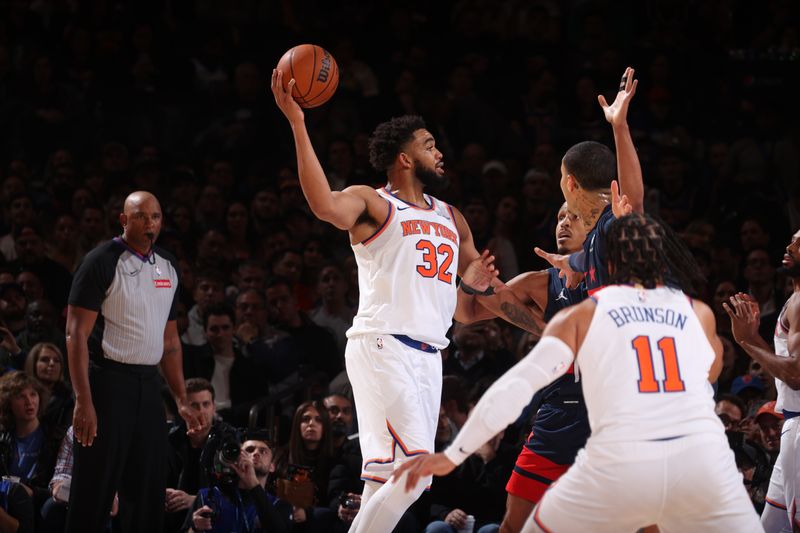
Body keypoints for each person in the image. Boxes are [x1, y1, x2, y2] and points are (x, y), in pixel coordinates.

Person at [396, 214, 762, 532]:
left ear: (606, 264)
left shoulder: (586, 314)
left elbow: (518, 385)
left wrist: (452, 455)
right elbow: (711, 372)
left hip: (623, 453)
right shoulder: (698, 311)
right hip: (700, 454)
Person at [271, 69, 518, 532]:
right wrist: (298, 123)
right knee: (417, 472)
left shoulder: (453, 218)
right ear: (404, 158)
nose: (439, 151)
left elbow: (462, 310)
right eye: (429, 144)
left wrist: (481, 287)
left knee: (382, 481)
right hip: (382, 344)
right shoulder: (374, 203)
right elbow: (324, 204)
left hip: (428, 356)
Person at [64, 190, 202, 533]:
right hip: (106, 383)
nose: (149, 223)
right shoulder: (101, 260)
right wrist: (83, 400)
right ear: (124, 220)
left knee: (146, 489)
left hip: (148, 386)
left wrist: (182, 398)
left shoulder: (168, 266)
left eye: (155, 217)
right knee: (93, 490)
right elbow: (75, 334)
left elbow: (170, 342)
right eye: (141, 216)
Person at [724, 227, 800, 532]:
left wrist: (746, 341)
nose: (790, 245)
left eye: (798, 242)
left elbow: (796, 375)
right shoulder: (793, 299)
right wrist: (753, 336)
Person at [185, 435, 290, 533]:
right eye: (249, 450)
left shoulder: (278, 505)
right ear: (236, 457)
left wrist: (251, 481)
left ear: (272, 467)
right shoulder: (207, 496)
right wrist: (195, 528)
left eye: (263, 451)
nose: (255, 453)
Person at [23, 343, 73, 428]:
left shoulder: (69, 398)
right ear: (33, 364)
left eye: (57, 360)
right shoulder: (20, 394)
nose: (52, 363)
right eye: (45, 359)